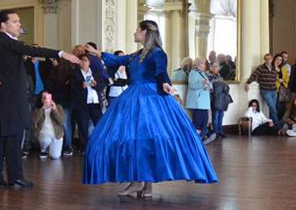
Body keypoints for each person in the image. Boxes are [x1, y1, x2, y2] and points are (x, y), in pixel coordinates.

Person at [83, 20, 217, 199]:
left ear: (145, 32)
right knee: (139, 137)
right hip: (135, 96)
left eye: (137, 29)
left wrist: (166, 85)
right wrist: (96, 53)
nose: (134, 32)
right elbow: (118, 59)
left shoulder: (157, 53)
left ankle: (141, 182)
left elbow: (161, 72)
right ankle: (143, 183)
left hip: (149, 97)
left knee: (147, 137)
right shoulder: (138, 54)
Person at [0, 10, 80, 189]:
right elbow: (33, 50)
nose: (19, 25)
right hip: (12, 97)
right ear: (3, 25)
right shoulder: (8, 42)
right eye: (15, 22)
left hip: (1, 97)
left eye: (19, 22)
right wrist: (61, 54)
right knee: (14, 138)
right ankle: (15, 178)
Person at [69, 55, 106, 152]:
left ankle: (100, 144)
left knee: (100, 123)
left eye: (85, 60)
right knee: (83, 126)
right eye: (81, 60)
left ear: (89, 62)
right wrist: (81, 86)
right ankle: (85, 148)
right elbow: (72, 88)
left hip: (95, 103)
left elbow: (102, 86)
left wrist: (95, 85)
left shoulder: (95, 73)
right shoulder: (75, 73)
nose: (83, 62)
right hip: (82, 104)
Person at [245, 53, 280, 125]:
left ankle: (272, 125)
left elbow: (277, 77)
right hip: (265, 90)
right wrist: (247, 83)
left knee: (272, 109)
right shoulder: (260, 68)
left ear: (272, 59)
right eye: (266, 59)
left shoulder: (274, 68)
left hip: (274, 90)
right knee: (273, 108)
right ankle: (278, 126)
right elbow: (254, 75)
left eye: (269, 59)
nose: (268, 61)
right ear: (264, 60)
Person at [186, 57, 213, 143]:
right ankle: (194, 140)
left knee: (204, 123)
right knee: (198, 123)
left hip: (203, 103)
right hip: (197, 102)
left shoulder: (202, 73)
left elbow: (208, 84)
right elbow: (192, 85)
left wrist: (209, 86)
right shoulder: (193, 73)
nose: (205, 66)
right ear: (198, 64)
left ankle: (200, 139)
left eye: (205, 64)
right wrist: (203, 84)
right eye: (203, 63)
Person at [31, 91, 65, 159]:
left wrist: (55, 110)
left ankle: (50, 149)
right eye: (44, 98)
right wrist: (42, 108)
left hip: (56, 135)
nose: (46, 100)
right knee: (46, 140)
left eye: (48, 97)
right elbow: (34, 120)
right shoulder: (38, 109)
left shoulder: (58, 107)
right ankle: (43, 149)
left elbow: (61, 121)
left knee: (55, 156)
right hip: (44, 134)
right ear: (41, 99)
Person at [209, 62, 232, 141]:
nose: (215, 68)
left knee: (221, 115)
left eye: (217, 66)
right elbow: (210, 87)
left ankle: (220, 131)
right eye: (214, 66)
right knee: (215, 115)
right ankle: (216, 132)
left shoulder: (220, 76)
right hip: (214, 98)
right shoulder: (208, 76)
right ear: (210, 67)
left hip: (221, 98)